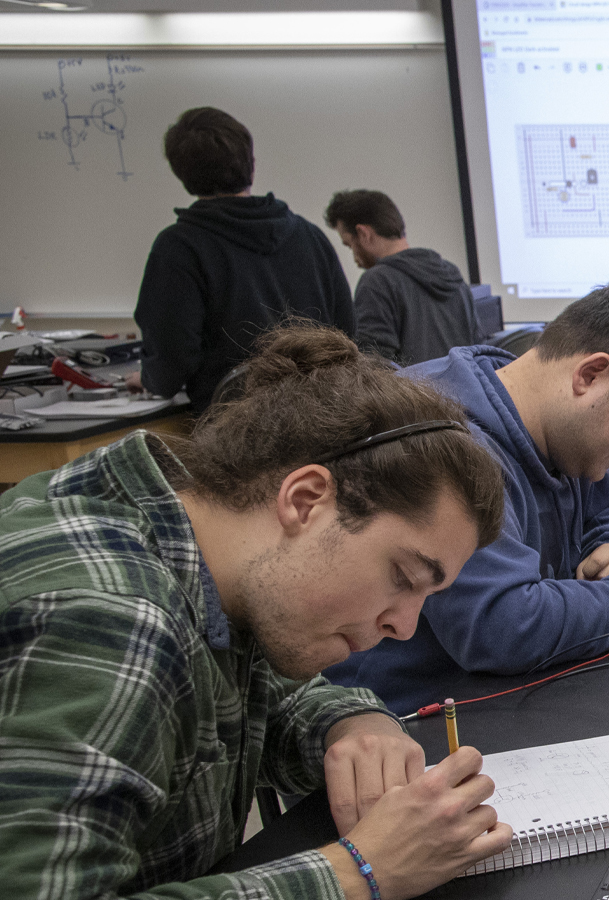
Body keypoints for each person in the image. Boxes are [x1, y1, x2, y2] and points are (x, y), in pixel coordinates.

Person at [0, 324, 513, 899]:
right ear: (305, 500)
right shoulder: (109, 620)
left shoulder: (205, 548)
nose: (405, 625)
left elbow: (260, 694)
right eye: (403, 578)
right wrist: (358, 873)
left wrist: (356, 722)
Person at [325, 284, 609, 712]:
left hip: (503, 695)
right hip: (411, 721)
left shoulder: (554, 427)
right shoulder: (447, 449)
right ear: (589, 375)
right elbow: (503, 627)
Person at [130, 107, 355, 411]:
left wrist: (150, 378)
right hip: (324, 417)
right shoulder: (309, 235)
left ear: (181, 174)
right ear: (251, 163)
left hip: (236, 431)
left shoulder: (179, 247)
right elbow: (346, 336)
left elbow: (172, 361)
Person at [324, 189, 484, 366]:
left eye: (349, 244)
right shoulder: (452, 274)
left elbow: (375, 369)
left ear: (363, 234)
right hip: (464, 392)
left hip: (415, 394)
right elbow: (479, 352)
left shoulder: (376, 282)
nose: (355, 259)